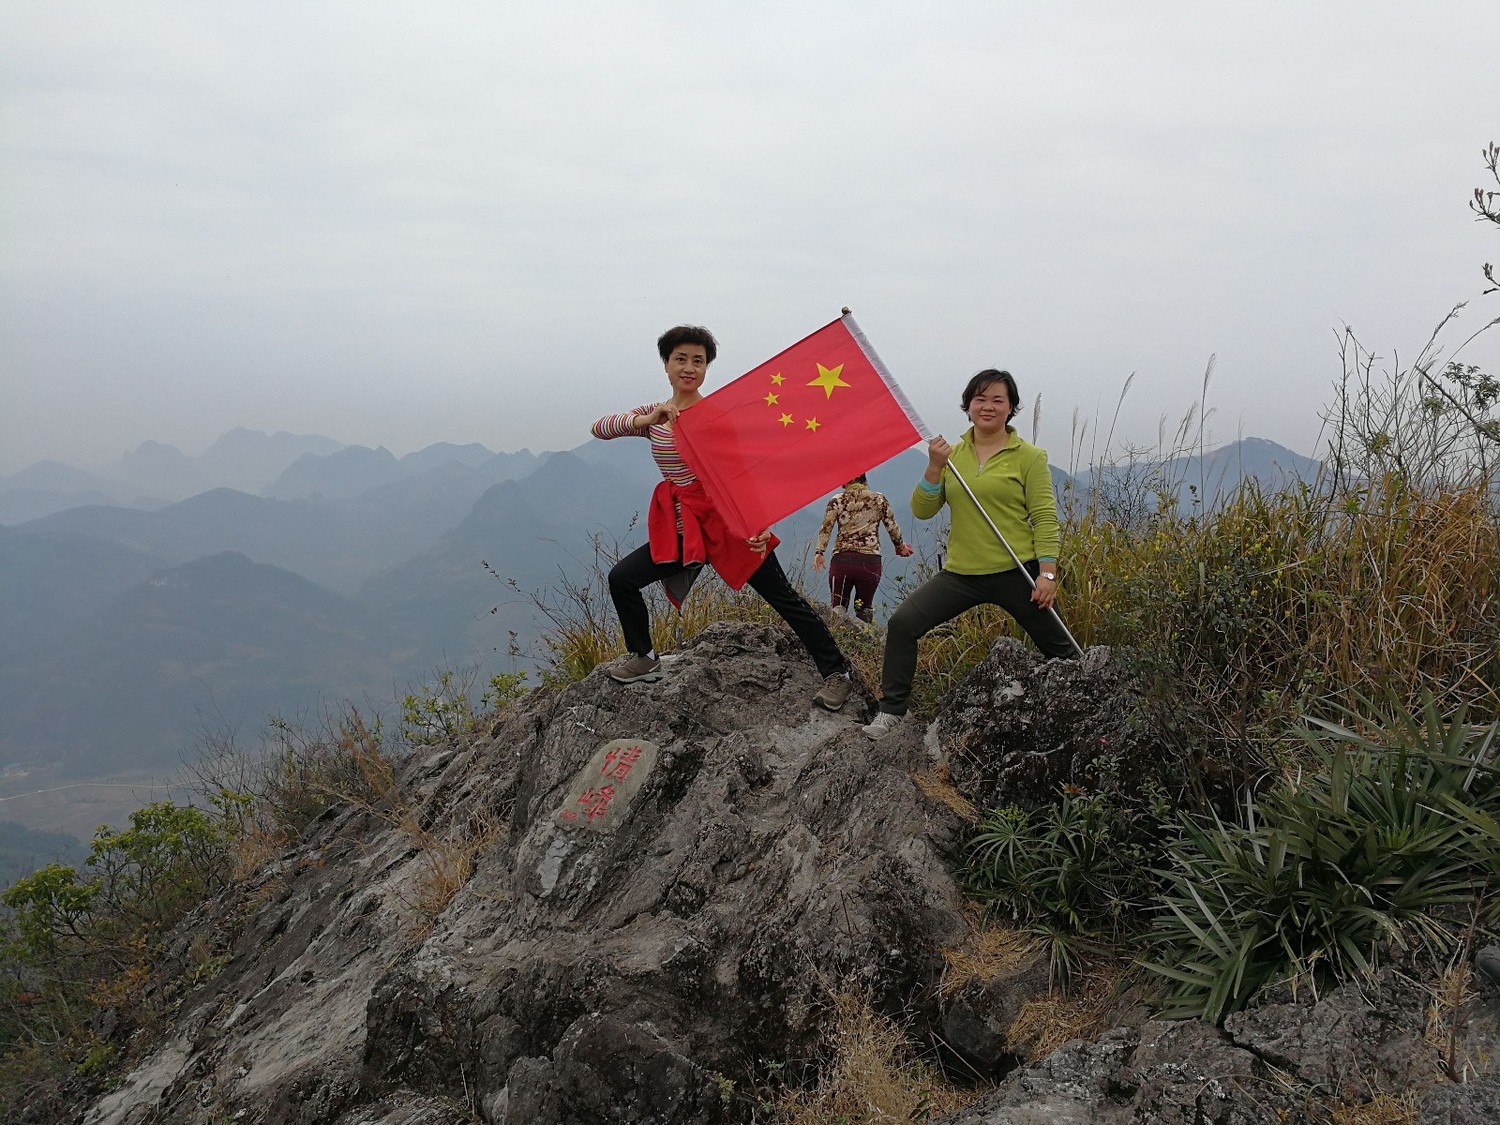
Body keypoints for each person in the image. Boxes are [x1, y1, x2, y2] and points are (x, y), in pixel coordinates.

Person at [591, 325, 855, 711]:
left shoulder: (715, 417)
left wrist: (760, 525)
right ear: (666, 364)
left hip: (729, 522)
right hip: (685, 527)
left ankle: (837, 674)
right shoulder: (654, 415)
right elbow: (599, 429)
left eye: (698, 361)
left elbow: (740, 477)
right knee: (622, 579)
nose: (689, 367)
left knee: (783, 598)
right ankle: (644, 656)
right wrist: (646, 421)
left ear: (706, 369)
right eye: (680, 358)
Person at [863, 368, 1075, 739]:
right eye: (980, 398)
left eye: (998, 400)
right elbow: (922, 510)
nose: (988, 407)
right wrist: (933, 467)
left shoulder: (1029, 456)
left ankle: (1085, 711)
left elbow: (1044, 517)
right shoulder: (951, 455)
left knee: (1065, 652)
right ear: (968, 405)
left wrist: (1048, 574)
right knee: (902, 625)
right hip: (962, 574)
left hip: (1017, 571)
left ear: (1011, 408)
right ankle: (891, 713)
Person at [813, 474, 914, 623]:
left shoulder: (837, 500)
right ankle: (864, 641)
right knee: (864, 610)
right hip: (870, 562)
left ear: (847, 481)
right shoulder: (879, 499)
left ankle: (838, 642)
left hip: (842, 562)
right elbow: (892, 526)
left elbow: (826, 528)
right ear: (865, 481)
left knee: (837, 609)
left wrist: (819, 552)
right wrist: (901, 547)